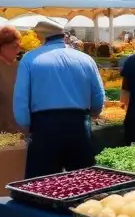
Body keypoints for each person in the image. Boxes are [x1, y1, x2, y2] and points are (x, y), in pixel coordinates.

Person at [14, 19, 104, 179]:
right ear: (64, 36)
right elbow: (98, 96)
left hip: (44, 127)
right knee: (83, 183)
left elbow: (21, 101)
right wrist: (94, 113)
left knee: (41, 186)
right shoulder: (85, 59)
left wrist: (26, 127)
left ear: (41, 37)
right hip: (78, 125)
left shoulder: (29, 59)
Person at [0, 26, 23, 134]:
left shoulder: (20, 64)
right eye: (15, 46)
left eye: (19, 46)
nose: (18, 49)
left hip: (22, 118)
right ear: (2, 47)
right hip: (2, 120)